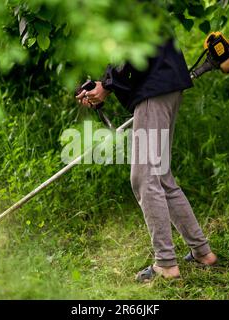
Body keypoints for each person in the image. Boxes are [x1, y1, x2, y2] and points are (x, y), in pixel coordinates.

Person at [76, 38, 218, 282]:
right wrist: (104, 84)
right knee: (160, 175)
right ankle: (202, 252)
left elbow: (134, 40)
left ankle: (165, 263)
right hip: (164, 84)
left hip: (155, 88)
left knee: (144, 177)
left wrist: (106, 85)